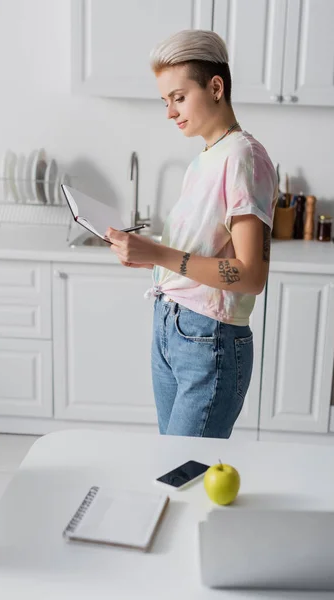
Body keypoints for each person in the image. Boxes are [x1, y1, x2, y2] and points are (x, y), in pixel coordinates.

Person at [105, 30, 277, 438]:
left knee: (185, 472)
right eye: (165, 102)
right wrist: (150, 255)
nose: (169, 112)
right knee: (177, 466)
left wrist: (161, 255)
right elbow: (200, 254)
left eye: (178, 98)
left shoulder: (244, 158)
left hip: (209, 338)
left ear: (215, 87)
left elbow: (251, 276)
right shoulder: (203, 159)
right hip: (172, 327)